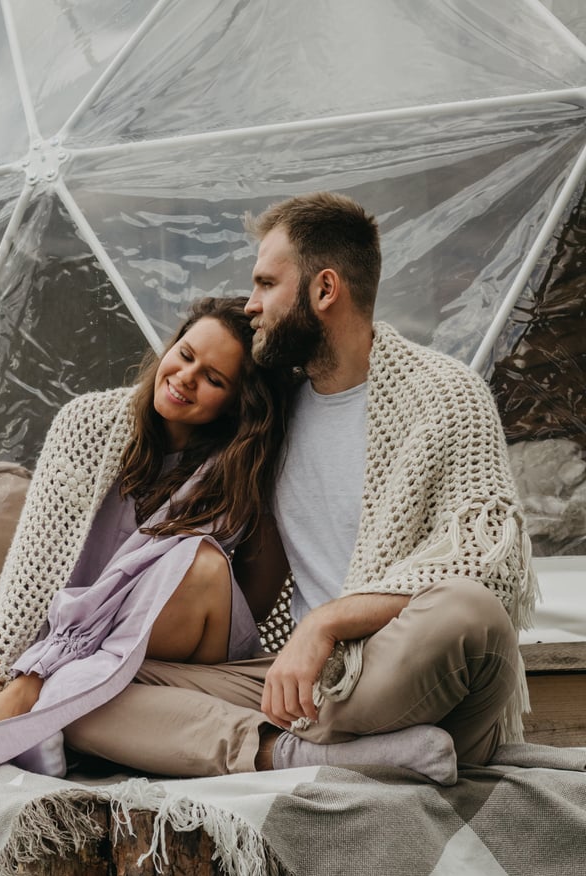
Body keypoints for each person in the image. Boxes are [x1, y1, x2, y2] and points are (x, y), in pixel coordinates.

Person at [59, 191, 536, 786]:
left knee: (469, 610)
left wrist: (326, 624)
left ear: (324, 290)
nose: (252, 305)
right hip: (301, 686)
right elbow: (168, 414)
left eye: (265, 284)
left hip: (398, 669)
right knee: (78, 692)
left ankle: (299, 740)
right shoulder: (274, 413)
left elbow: (489, 567)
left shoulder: (444, 396)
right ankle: (298, 756)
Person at [0, 296, 291, 776]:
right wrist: (14, 673)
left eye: (214, 379)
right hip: (62, 643)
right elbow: (33, 566)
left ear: (237, 402)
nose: (186, 378)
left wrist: (33, 681)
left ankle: (29, 725)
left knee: (199, 564)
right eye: (186, 354)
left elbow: (251, 605)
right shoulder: (89, 424)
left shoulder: (237, 468)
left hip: (159, 651)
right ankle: (42, 721)